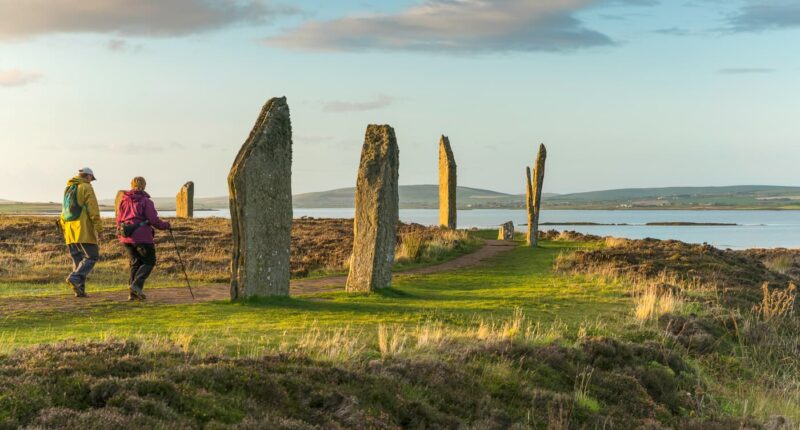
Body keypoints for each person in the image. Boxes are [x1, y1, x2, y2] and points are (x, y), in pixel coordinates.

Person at [116, 176, 170, 300]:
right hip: (142, 237)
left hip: (126, 236)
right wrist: (166, 225)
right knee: (149, 261)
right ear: (144, 185)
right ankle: (136, 286)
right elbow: (153, 220)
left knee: (135, 264)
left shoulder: (124, 200)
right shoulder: (146, 201)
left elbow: (118, 220)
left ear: (131, 185)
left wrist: (120, 233)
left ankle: (133, 294)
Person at [60, 167, 103, 298]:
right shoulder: (86, 187)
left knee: (78, 260)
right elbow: (93, 209)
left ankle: (79, 290)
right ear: (88, 176)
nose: (91, 181)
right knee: (92, 256)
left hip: (69, 230)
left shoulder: (68, 188)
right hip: (83, 228)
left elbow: (64, 210)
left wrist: (64, 228)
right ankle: (75, 278)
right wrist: (99, 229)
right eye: (91, 178)